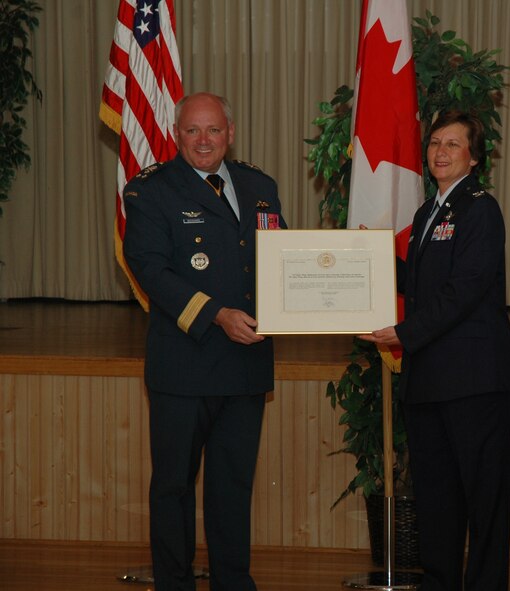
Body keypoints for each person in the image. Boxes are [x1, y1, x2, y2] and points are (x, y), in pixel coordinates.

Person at [123, 92, 286, 591]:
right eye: (192, 130)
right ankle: (175, 584)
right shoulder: (150, 191)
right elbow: (151, 268)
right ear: (177, 135)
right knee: (173, 488)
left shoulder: (260, 185)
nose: (203, 141)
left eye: (213, 130)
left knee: (232, 488)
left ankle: (233, 583)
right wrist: (216, 315)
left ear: (229, 134)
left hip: (245, 365)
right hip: (184, 365)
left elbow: (282, 257)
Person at [361, 111, 510, 591]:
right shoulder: (429, 212)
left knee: (484, 498)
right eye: (435, 143)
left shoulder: (480, 209)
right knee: (436, 496)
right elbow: (419, 282)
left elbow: (463, 291)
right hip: (429, 379)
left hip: (474, 381)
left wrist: (403, 335)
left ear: (473, 155)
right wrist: (367, 260)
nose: (441, 152)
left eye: (453, 144)